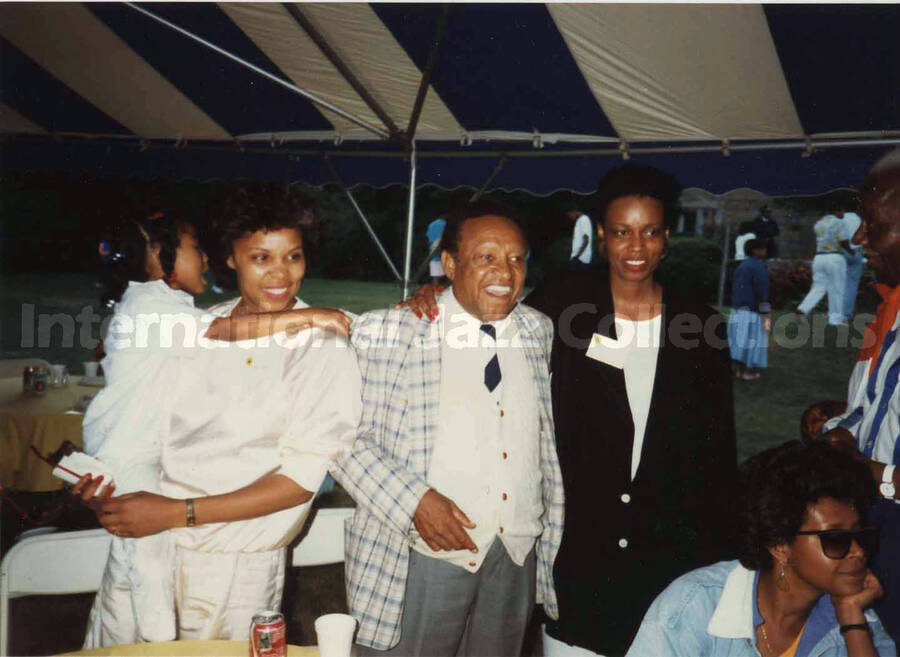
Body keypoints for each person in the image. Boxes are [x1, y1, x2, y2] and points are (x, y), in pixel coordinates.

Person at [401, 165, 738, 656]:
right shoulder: (562, 303)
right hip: (581, 548)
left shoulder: (700, 323)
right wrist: (434, 296)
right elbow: (485, 313)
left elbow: (718, 448)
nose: (636, 247)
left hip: (666, 550)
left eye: (650, 232)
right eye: (622, 232)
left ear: (666, 239)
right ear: (602, 236)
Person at [75, 183, 361, 644]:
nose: (281, 274)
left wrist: (174, 513)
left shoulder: (321, 346)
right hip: (148, 547)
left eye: (293, 256)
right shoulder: (204, 326)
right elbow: (143, 426)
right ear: (229, 258)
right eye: (261, 257)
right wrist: (109, 492)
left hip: (234, 570)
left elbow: (300, 482)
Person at [332, 202, 564, 656]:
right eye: (487, 258)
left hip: (513, 554)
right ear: (451, 264)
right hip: (419, 551)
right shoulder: (391, 331)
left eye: (517, 259)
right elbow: (341, 439)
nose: (506, 271)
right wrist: (415, 501)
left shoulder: (539, 331)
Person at [626, 441, 895, 657]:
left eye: (861, 536)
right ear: (779, 545)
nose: (858, 551)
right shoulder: (695, 606)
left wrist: (852, 621)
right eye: (836, 539)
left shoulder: (857, 620)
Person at [816, 149, 900, 643]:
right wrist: (836, 428)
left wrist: (869, 473)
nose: (859, 236)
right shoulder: (889, 311)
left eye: (873, 223)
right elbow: (869, 413)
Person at [797, 207, 854, 325]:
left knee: (818, 287)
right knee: (837, 289)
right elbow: (843, 241)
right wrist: (851, 251)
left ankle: (802, 309)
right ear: (836, 210)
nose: (843, 213)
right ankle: (835, 319)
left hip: (819, 258)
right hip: (835, 257)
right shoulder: (839, 222)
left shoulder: (819, 223)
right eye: (842, 210)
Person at [729, 238, 771, 380]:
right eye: (763, 248)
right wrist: (765, 311)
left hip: (737, 309)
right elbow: (762, 290)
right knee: (750, 341)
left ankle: (736, 370)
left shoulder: (742, 265)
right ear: (756, 250)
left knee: (737, 341)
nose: (765, 251)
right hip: (752, 310)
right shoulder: (759, 266)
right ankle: (746, 372)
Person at [843, 211, 866, 319]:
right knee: (852, 284)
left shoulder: (840, 219)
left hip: (842, 251)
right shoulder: (859, 219)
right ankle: (846, 314)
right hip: (856, 251)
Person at [426, 216, 447, 285]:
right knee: (448, 276)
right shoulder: (446, 224)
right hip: (445, 254)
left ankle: (435, 292)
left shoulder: (431, 225)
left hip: (433, 254)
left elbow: (429, 238)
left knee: (435, 278)